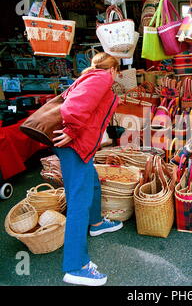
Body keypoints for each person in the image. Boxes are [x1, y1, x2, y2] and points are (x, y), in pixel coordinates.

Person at [53, 52, 122, 286]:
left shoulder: (91, 77)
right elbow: (74, 106)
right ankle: (75, 266)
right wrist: (72, 130)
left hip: (79, 145)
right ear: (113, 70)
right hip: (73, 144)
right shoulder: (102, 78)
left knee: (91, 183)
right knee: (78, 203)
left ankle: (97, 223)